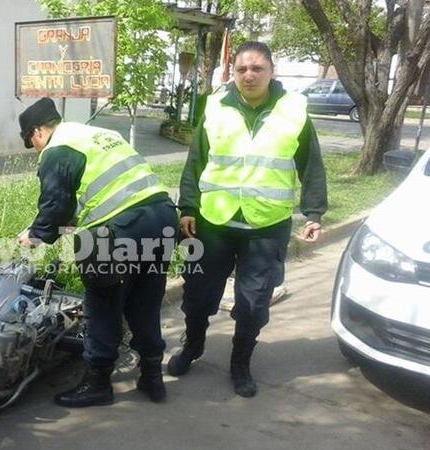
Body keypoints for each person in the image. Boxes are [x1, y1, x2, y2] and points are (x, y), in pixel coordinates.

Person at [169, 41, 328, 398]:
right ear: (233, 73)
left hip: (266, 226)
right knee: (197, 295)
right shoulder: (216, 107)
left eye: (257, 68)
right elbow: (196, 160)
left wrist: (314, 212)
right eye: (241, 69)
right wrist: (188, 208)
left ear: (272, 71)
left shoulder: (293, 112)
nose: (249, 75)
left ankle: (240, 363)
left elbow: (311, 165)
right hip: (214, 221)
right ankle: (192, 347)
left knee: (254, 303)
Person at [16, 97, 178, 407]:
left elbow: (56, 204)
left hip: (121, 229)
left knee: (103, 303)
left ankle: (98, 384)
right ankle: (152, 379)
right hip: (161, 217)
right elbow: (105, 191)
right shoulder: (99, 135)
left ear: (38, 132)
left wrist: (36, 234)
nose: (36, 149)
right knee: (145, 300)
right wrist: (61, 225)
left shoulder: (57, 148)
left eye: (32, 143)